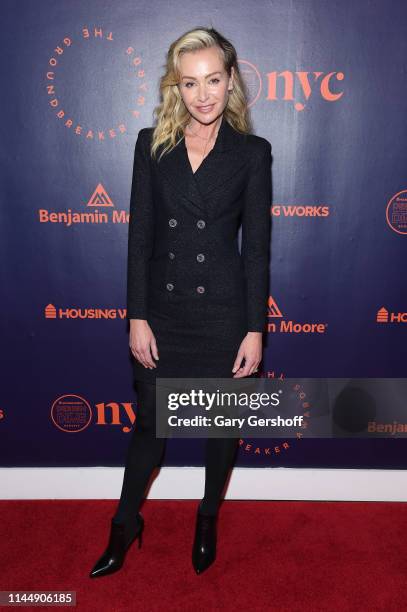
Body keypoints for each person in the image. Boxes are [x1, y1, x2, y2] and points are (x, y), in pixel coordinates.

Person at [89, 25, 272, 578]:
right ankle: (125, 523)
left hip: (223, 315)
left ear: (231, 79)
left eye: (214, 79)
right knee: (150, 426)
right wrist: (137, 316)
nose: (204, 94)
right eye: (190, 83)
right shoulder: (152, 145)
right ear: (176, 87)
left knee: (222, 428)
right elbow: (140, 238)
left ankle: (208, 515)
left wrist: (254, 328)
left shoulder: (252, 153)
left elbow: (258, 249)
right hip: (164, 314)